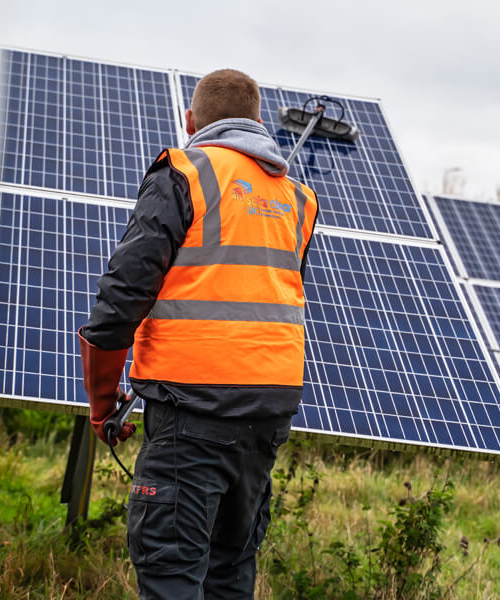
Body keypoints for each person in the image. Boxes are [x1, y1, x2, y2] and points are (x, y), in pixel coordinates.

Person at [77, 69, 319, 599]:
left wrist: (101, 403)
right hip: (268, 412)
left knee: (171, 573)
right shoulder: (299, 199)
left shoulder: (183, 171)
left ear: (191, 121)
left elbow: (122, 299)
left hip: (193, 407)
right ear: (257, 123)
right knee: (229, 574)